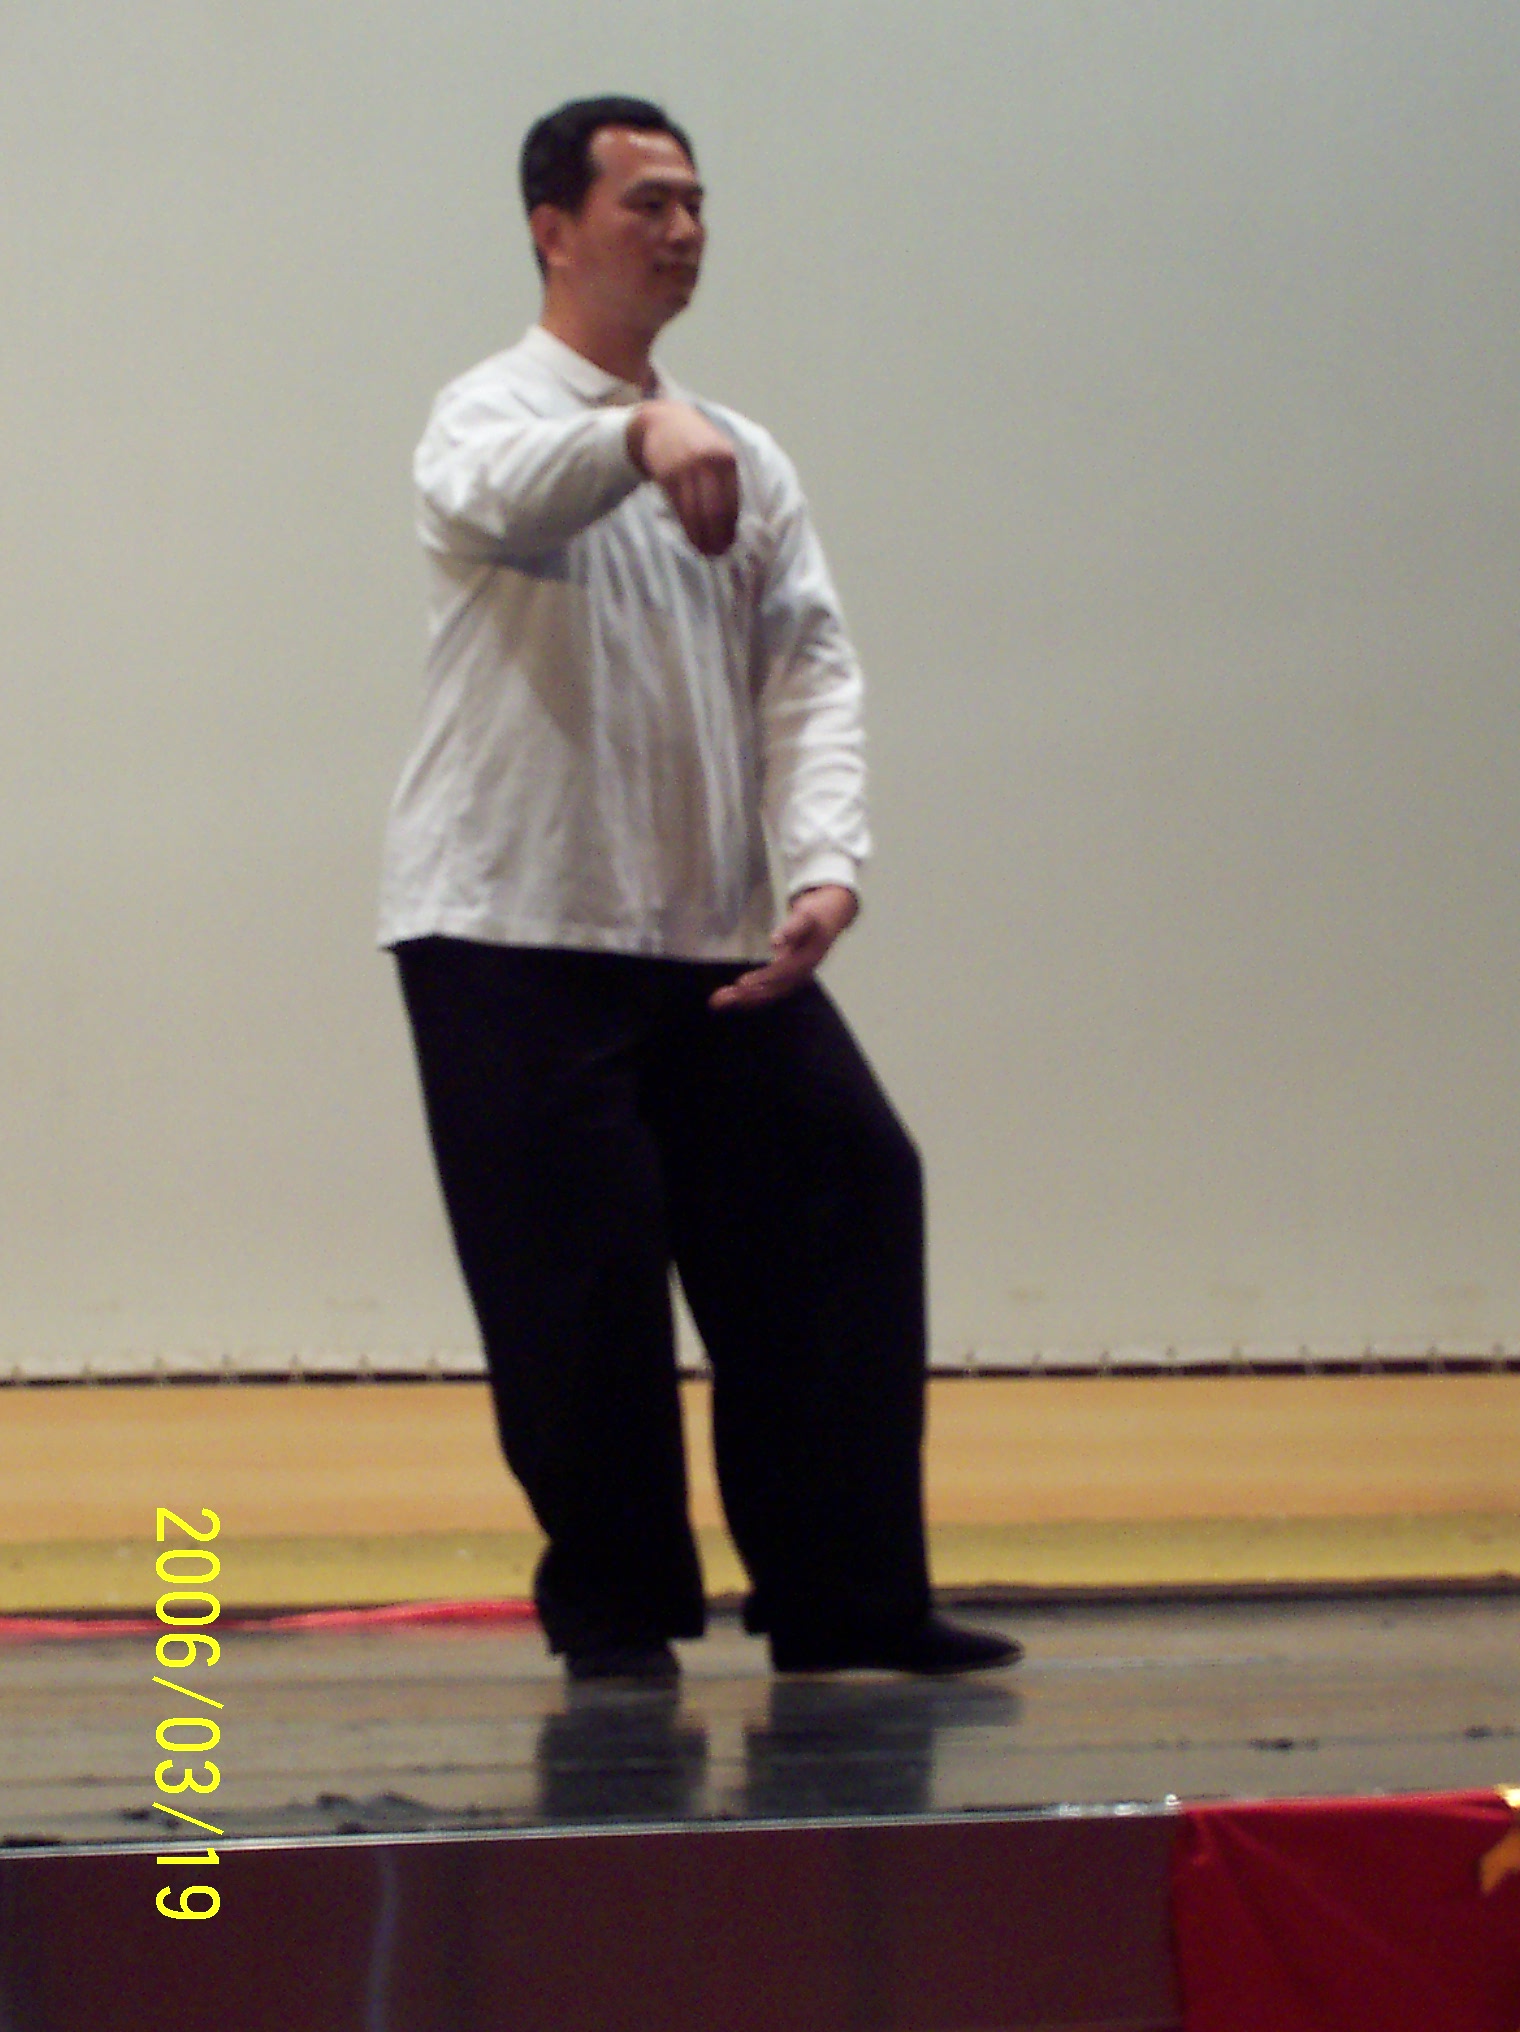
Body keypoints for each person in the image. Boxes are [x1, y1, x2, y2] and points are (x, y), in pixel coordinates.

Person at [378, 94, 1019, 1685]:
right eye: (646, 203)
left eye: (694, 203)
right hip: (511, 931)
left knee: (846, 1196)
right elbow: (485, 501)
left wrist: (825, 863)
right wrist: (634, 437)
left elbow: (810, 668)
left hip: (712, 936)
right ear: (553, 229)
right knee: (580, 1290)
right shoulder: (488, 410)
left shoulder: (745, 449)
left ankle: (847, 1600)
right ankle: (616, 1623)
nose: (682, 230)